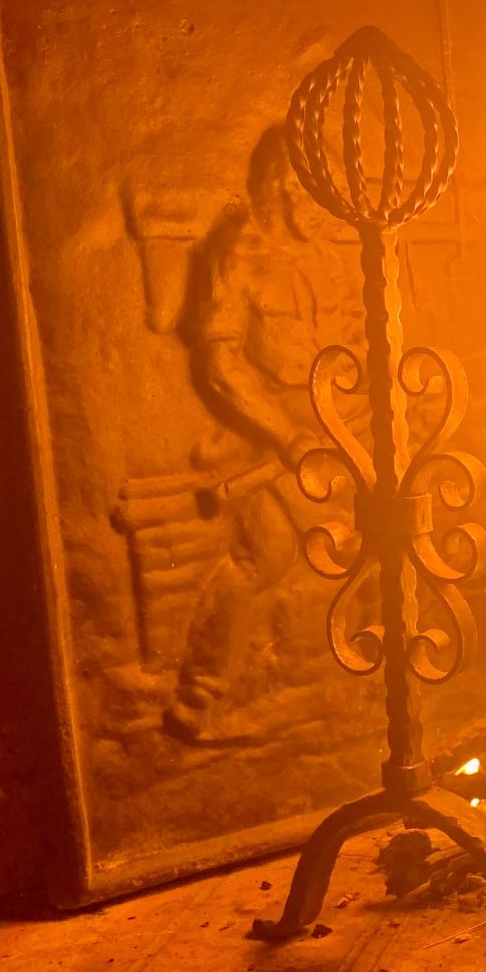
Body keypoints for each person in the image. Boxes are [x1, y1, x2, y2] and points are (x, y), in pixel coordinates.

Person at [164, 128, 351, 743]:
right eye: (316, 197)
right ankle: (201, 692)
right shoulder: (236, 253)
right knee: (265, 552)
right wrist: (285, 434)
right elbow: (219, 366)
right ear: (284, 189)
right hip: (254, 429)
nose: (327, 212)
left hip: (336, 428)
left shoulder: (327, 252)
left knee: (395, 525)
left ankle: (360, 676)